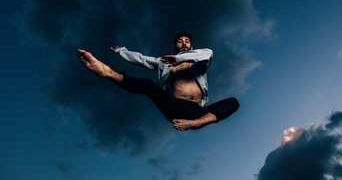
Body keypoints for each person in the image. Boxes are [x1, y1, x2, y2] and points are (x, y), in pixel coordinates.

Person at [77, 31, 239, 131]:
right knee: (149, 85)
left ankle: (197, 124)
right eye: (180, 41)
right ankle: (108, 72)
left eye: (187, 41)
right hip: (173, 106)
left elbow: (208, 53)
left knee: (233, 102)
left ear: (191, 46)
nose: (183, 43)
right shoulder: (164, 62)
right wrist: (122, 51)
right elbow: (142, 59)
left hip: (197, 113)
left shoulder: (199, 61)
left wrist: (178, 59)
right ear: (176, 45)